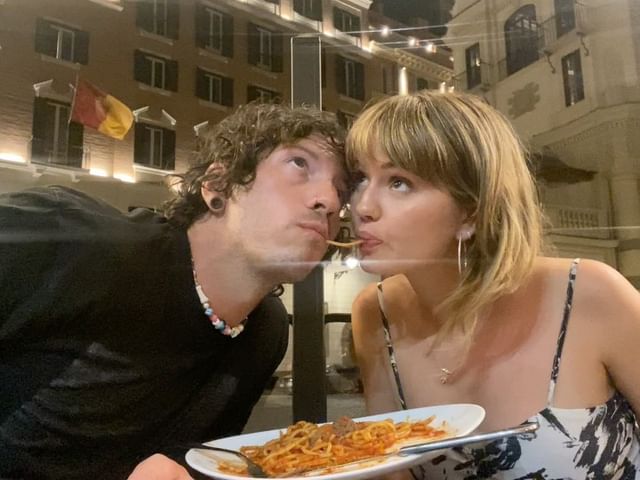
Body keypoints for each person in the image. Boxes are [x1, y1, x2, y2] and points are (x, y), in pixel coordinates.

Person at [0, 102, 348, 480]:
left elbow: (192, 463)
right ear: (217, 185)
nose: (329, 202)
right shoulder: (72, 239)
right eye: (299, 163)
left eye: (341, 190)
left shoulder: (265, 332)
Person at [348, 91, 640, 479]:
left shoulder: (589, 293)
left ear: (471, 212)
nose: (362, 207)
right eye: (360, 178)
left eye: (399, 182)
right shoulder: (374, 313)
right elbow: (389, 468)